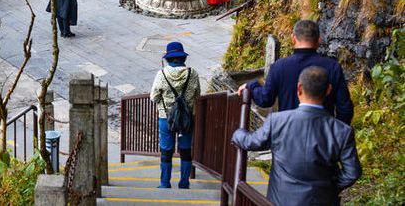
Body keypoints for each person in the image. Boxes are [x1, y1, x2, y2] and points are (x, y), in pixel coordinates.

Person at [232, 66, 362, 206]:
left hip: (280, 200)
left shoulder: (277, 120)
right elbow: (352, 172)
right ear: (329, 90)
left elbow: (253, 142)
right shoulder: (342, 130)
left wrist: (238, 133)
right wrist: (328, 187)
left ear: (299, 89)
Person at [237, 19, 354, 125]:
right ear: (319, 40)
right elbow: (345, 108)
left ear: (293, 38)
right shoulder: (333, 67)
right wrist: (336, 133)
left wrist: (252, 85)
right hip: (323, 138)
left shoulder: (279, 67)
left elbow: (265, 99)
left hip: (288, 136)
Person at [150, 42, 200, 189]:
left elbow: (154, 97)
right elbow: (197, 95)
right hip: (187, 118)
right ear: (183, 58)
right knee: (185, 150)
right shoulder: (193, 73)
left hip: (166, 118)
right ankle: (184, 183)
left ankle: (165, 183)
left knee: (166, 151)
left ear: (168, 59)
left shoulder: (162, 74)